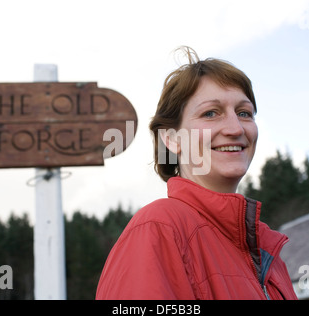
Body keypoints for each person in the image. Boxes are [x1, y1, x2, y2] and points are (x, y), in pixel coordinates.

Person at [96, 47, 297, 300]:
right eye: (210, 113)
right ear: (171, 139)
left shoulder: (270, 253)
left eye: (244, 113)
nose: (235, 128)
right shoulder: (159, 228)